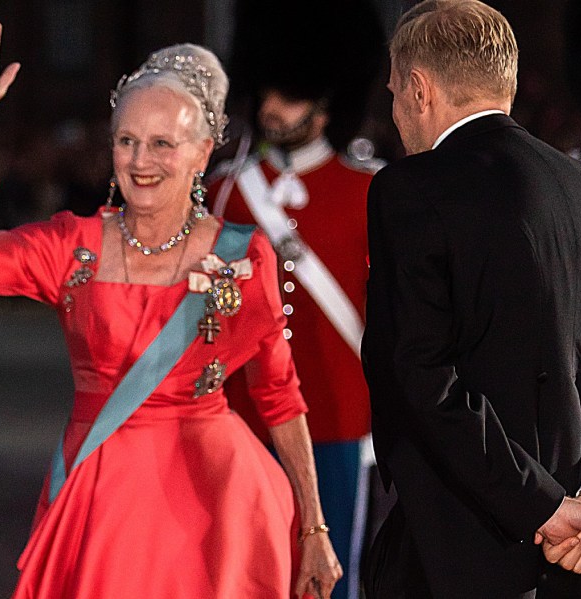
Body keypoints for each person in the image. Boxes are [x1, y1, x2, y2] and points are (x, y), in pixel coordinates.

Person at [0, 12, 341, 599]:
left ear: (201, 154)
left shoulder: (244, 257)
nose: (141, 161)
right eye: (127, 141)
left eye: (162, 144)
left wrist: (314, 528)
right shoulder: (73, 246)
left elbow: (279, 396)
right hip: (103, 499)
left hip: (216, 501)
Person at [361, 1, 581, 597]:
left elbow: (417, 377)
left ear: (418, 89)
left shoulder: (410, 190)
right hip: (577, 556)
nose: (394, 113)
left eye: (394, 92)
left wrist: (542, 507)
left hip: (451, 553)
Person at [209, 81, 375, 599]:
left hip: (339, 414)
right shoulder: (225, 192)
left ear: (326, 106)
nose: (270, 109)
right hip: (246, 414)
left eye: (290, 95)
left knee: (328, 576)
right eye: (267, 95)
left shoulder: (371, 189)